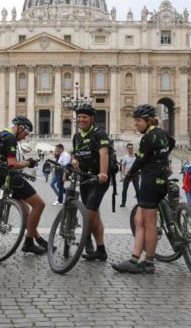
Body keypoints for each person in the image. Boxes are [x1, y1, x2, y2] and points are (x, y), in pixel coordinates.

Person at [112, 104, 175, 274]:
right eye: (135, 121)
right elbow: (172, 143)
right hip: (159, 179)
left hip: (150, 182)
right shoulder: (162, 133)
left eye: (138, 121)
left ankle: (148, 262)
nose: (136, 124)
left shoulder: (148, 138)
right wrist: (163, 161)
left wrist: (129, 175)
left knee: (150, 224)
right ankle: (134, 260)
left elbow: (139, 161)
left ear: (148, 120)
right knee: (139, 221)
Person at [0, 116, 47, 255]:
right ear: (20, 128)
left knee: (25, 209)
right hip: (11, 178)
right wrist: (29, 163)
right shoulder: (10, 138)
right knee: (39, 204)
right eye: (25, 134)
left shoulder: (0, 135)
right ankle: (28, 242)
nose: (24, 137)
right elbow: (12, 163)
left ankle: (38, 240)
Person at [72, 103, 111, 261]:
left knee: (90, 212)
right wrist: (75, 161)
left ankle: (86, 238)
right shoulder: (76, 136)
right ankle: (101, 250)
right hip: (84, 178)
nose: (81, 120)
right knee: (95, 215)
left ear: (91, 119)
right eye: (79, 117)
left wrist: (103, 173)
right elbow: (76, 154)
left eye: (84, 117)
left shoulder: (99, 133)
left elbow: (104, 153)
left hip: (98, 179)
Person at [119, 143, 139, 207]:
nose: (131, 149)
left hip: (135, 174)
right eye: (129, 148)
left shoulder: (136, 156)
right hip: (127, 175)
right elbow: (123, 166)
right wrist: (123, 174)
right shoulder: (125, 157)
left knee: (137, 189)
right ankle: (123, 203)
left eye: (132, 148)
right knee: (124, 189)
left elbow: (139, 164)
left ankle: (140, 203)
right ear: (127, 149)